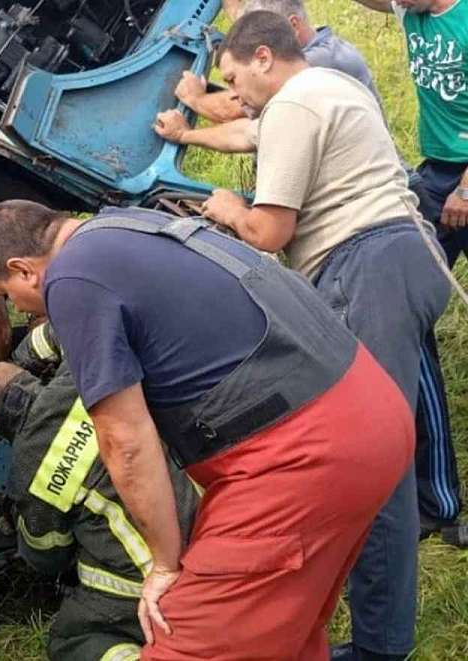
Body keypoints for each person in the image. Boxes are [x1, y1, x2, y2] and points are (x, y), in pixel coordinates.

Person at [0, 200, 415, 659]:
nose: (18, 311)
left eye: (5, 295)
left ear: (23, 270)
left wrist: (165, 565)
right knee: (282, 634)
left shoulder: (71, 279)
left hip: (301, 454)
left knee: (188, 648)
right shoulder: (132, 225)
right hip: (368, 403)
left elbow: (125, 442)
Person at [157, 12, 453, 661]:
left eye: (235, 80)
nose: (235, 93)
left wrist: (225, 207)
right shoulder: (324, 86)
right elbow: (251, 133)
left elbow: (269, 232)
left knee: (374, 462)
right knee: (379, 444)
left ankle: (380, 644)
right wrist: (189, 126)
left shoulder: (295, 101)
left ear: (263, 57)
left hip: (366, 265)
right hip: (399, 257)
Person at [0, 325, 199, 661]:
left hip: (154, 570)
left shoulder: (27, 472)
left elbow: (46, 556)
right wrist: (23, 354)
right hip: (206, 511)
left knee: (72, 638)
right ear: (27, 376)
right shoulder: (79, 375)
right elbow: (68, 327)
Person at [351, 0, 467, 540]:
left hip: (463, 181)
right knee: (406, 316)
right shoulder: (411, 11)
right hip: (435, 177)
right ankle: (436, 496)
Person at [176, 0, 381, 123]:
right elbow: (242, 22)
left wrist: (195, 99)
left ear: (292, 26)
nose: (256, 52)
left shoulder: (317, 63)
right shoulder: (294, 50)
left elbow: (234, 110)